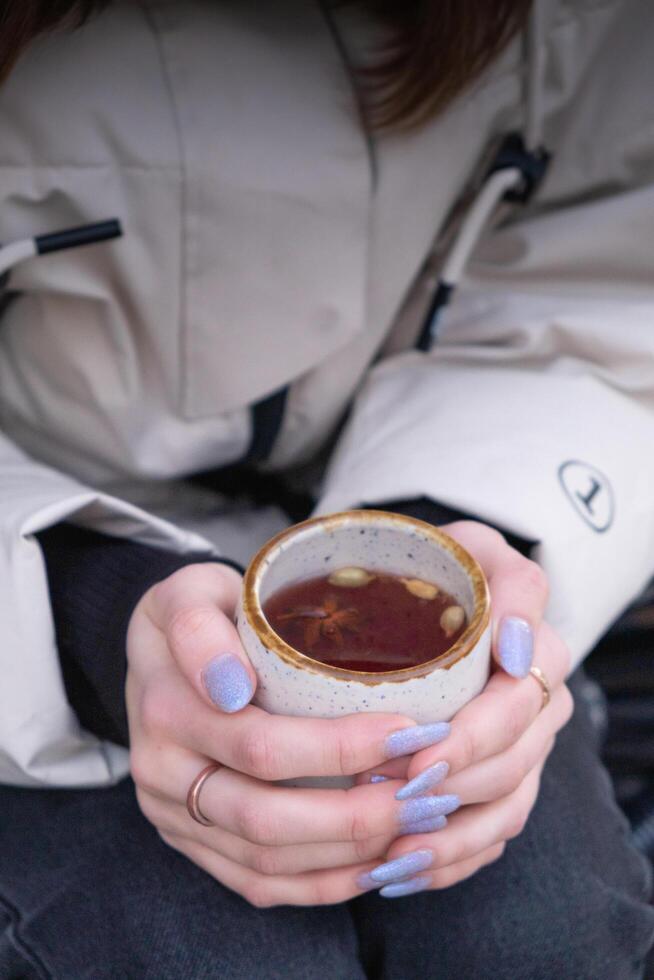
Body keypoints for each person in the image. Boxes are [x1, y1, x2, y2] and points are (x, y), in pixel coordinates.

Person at [0, 1, 653, 977]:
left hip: (418, 481)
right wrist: (85, 617)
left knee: (536, 936)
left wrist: (462, 542)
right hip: (32, 565)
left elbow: (603, 257)